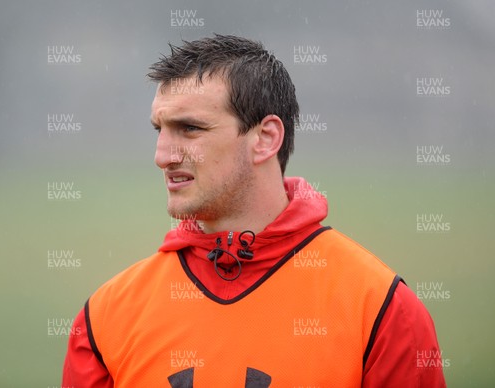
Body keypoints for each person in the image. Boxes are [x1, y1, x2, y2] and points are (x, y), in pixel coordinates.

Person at [62, 34, 446, 387]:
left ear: (265, 139)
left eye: (190, 128)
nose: (162, 155)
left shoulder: (381, 309)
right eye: (159, 129)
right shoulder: (103, 318)